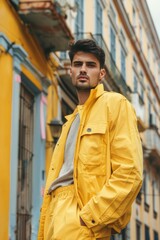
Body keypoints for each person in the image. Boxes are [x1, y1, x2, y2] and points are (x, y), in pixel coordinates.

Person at [38, 39, 143, 240]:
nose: (83, 69)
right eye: (78, 64)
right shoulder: (69, 122)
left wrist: (89, 217)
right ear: (70, 71)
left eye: (91, 65)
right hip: (54, 213)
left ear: (101, 74)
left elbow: (130, 172)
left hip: (81, 219)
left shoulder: (115, 104)